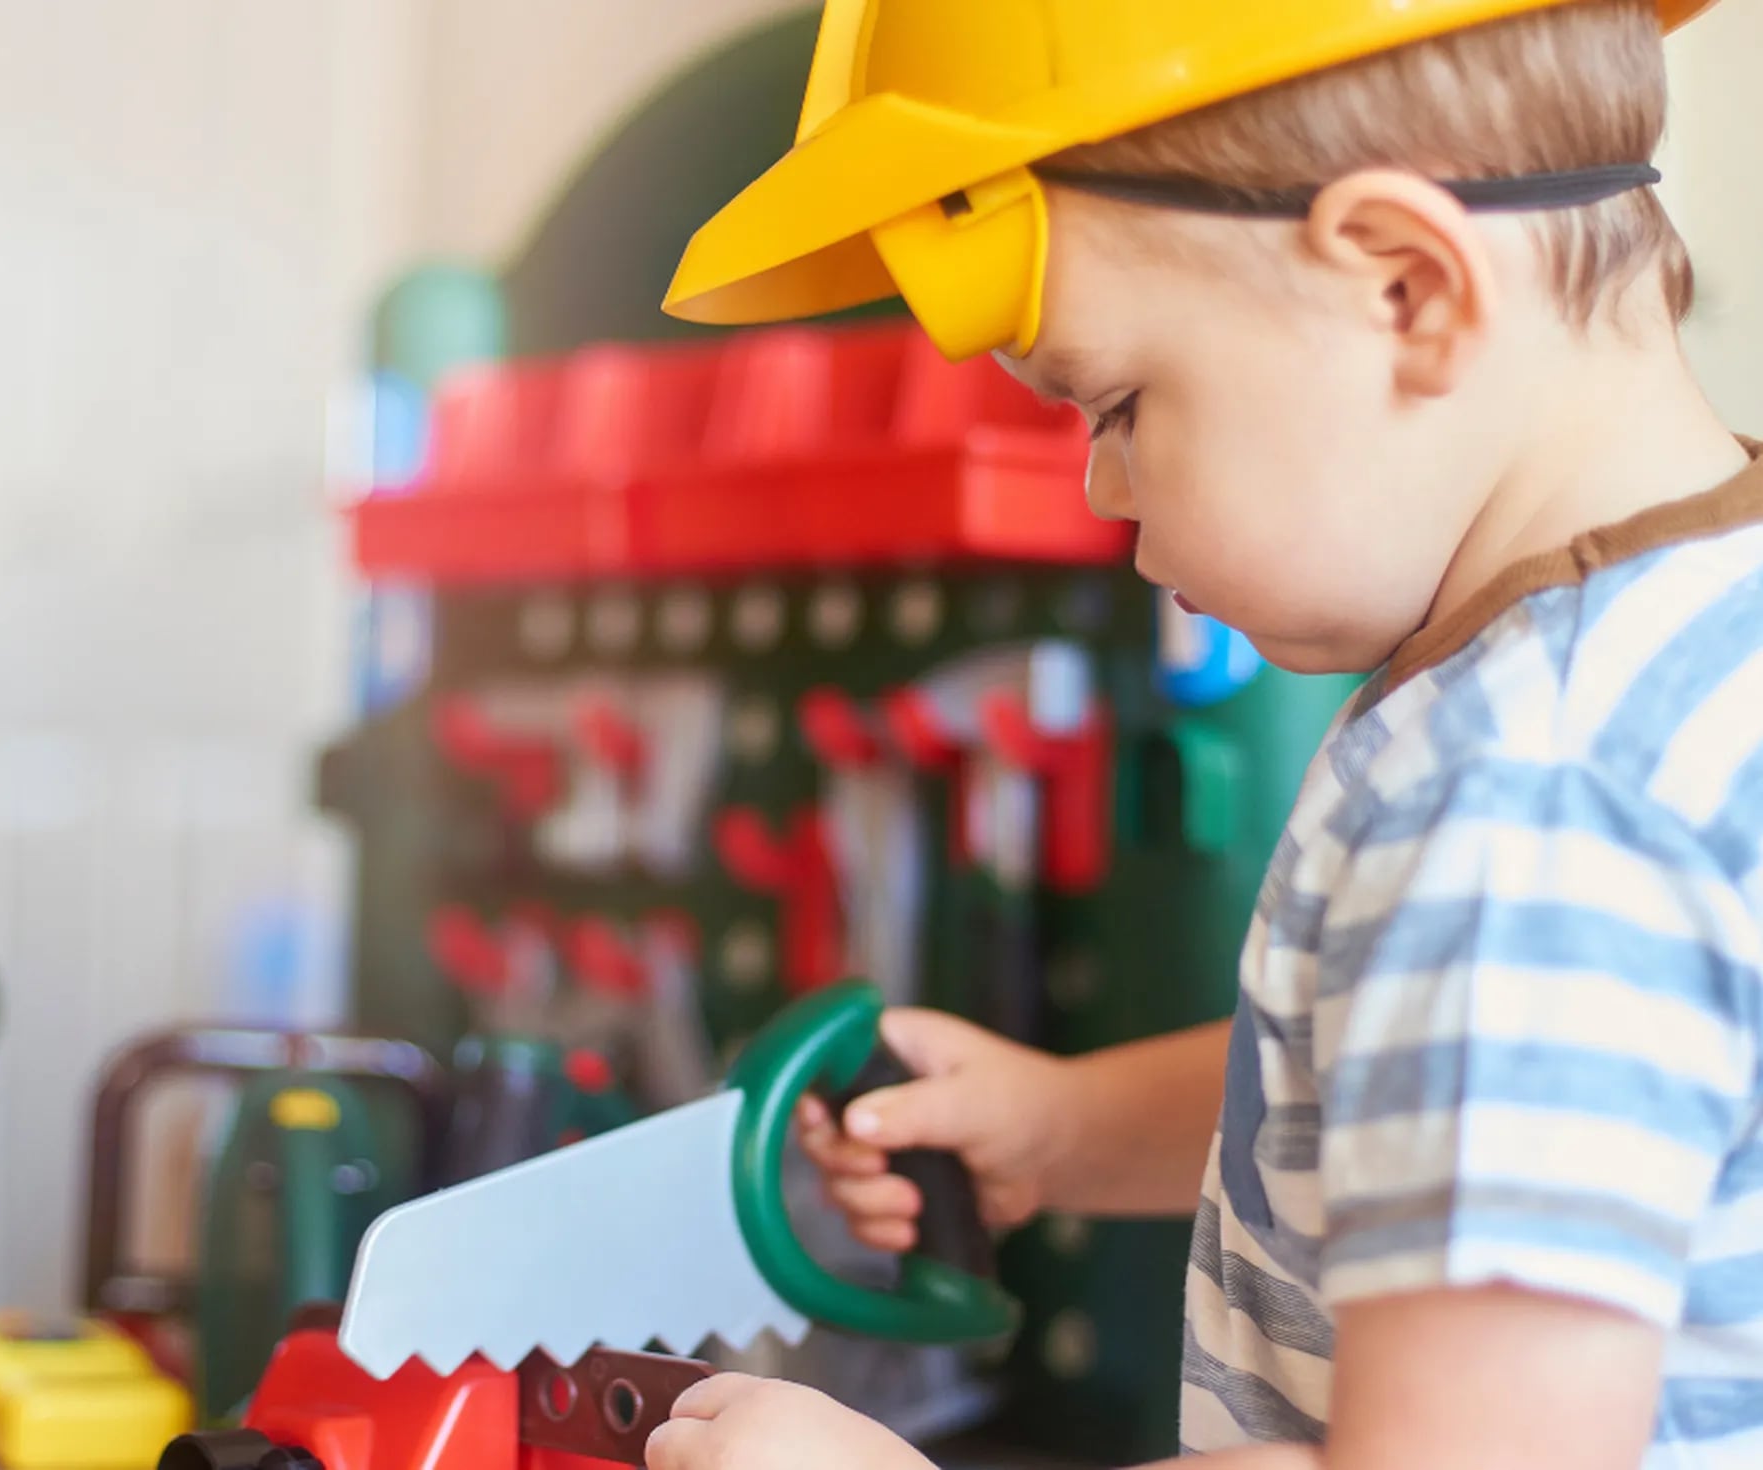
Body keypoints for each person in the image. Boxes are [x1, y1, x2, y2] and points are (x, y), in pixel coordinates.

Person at [642, 1, 1761, 1467]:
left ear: (1408, 289)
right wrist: (1063, 1124)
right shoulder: (1678, 638)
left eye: (1117, 400)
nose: (1103, 488)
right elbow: (1435, 1089)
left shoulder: (1517, 805)